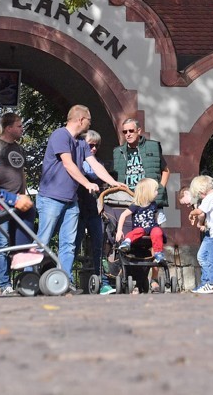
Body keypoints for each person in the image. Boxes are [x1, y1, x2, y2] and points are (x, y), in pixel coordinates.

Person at [35, 105, 99, 277]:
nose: (90, 124)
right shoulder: (60, 135)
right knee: (43, 240)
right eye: (89, 120)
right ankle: (29, 278)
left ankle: (64, 280)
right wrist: (87, 183)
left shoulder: (81, 142)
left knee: (69, 244)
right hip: (52, 198)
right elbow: (68, 164)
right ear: (80, 120)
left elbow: (95, 165)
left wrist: (114, 182)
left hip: (71, 201)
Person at [0, 112, 34, 295]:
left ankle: (24, 279)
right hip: (1, 202)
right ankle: (3, 282)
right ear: (8, 128)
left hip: (19, 201)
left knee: (20, 241)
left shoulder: (19, 148)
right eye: (19, 126)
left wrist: (24, 193)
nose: (22, 128)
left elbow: (20, 173)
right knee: (2, 242)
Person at [77, 129, 123, 289]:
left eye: (97, 146)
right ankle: (65, 279)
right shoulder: (78, 161)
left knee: (99, 247)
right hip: (78, 209)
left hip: (94, 211)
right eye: (91, 145)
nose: (94, 149)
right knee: (73, 245)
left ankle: (102, 282)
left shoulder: (99, 163)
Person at [113, 118, 169, 206]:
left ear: (138, 131)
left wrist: (160, 189)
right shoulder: (118, 151)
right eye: (125, 132)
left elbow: (166, 170)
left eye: (131, 131)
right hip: (127, 199)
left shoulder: (153, 147)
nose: (128, 134)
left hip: (150, 198)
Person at [116, 178, 166, 263]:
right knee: (138, 231)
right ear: (148, 192)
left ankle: (158, 253)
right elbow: (123, 215)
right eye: (155, 190)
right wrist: (119, 230)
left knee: (158, 231)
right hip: (140, 228)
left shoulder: (153, 204)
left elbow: (155, 216)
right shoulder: (136, 205)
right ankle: (126, 242)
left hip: (152, 228)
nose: (157, 192)